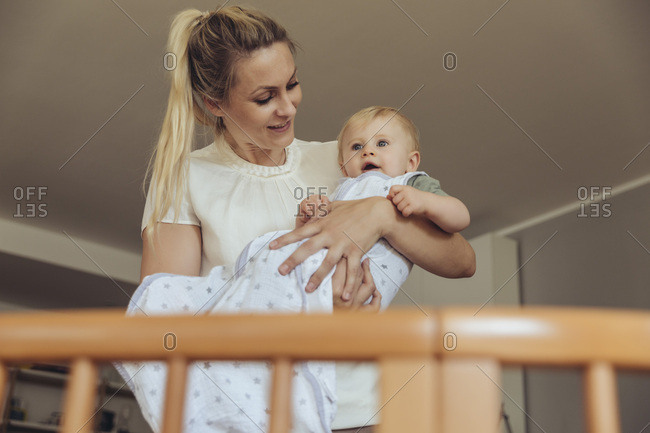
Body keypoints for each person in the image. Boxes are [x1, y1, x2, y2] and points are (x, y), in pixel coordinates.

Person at [119, 5, 476, 433]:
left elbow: (462, 261)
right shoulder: (186, 179)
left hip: (360, 412)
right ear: (215, 102)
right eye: (265, 97)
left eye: (292, 85)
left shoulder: (351, 159)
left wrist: (382, 215)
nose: (288, 108)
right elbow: (170, 323)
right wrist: (317, 319)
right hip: (259, 412)